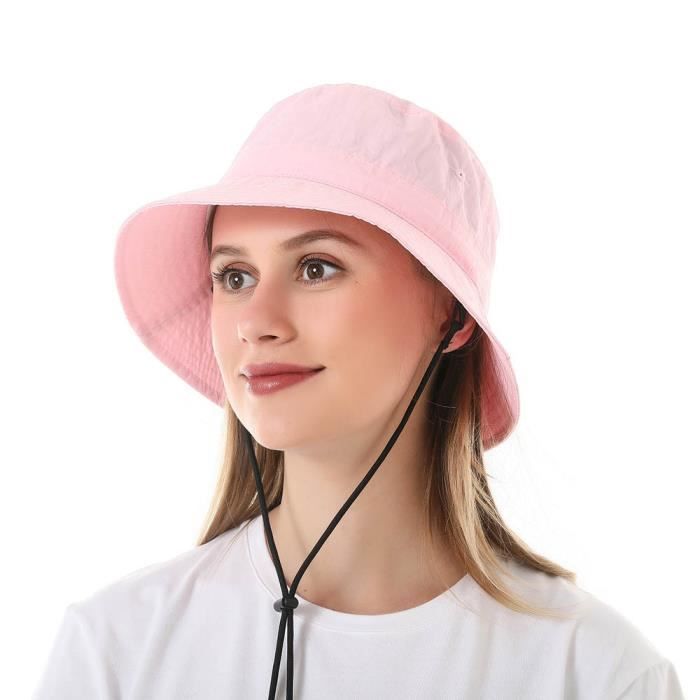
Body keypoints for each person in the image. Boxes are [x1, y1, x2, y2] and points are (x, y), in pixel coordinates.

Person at [33, 83, 685, 699]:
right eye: (234, 276)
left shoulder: (598, 675)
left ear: (450, 313)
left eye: (316, 267)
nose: (256, 322)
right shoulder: (115, 651)